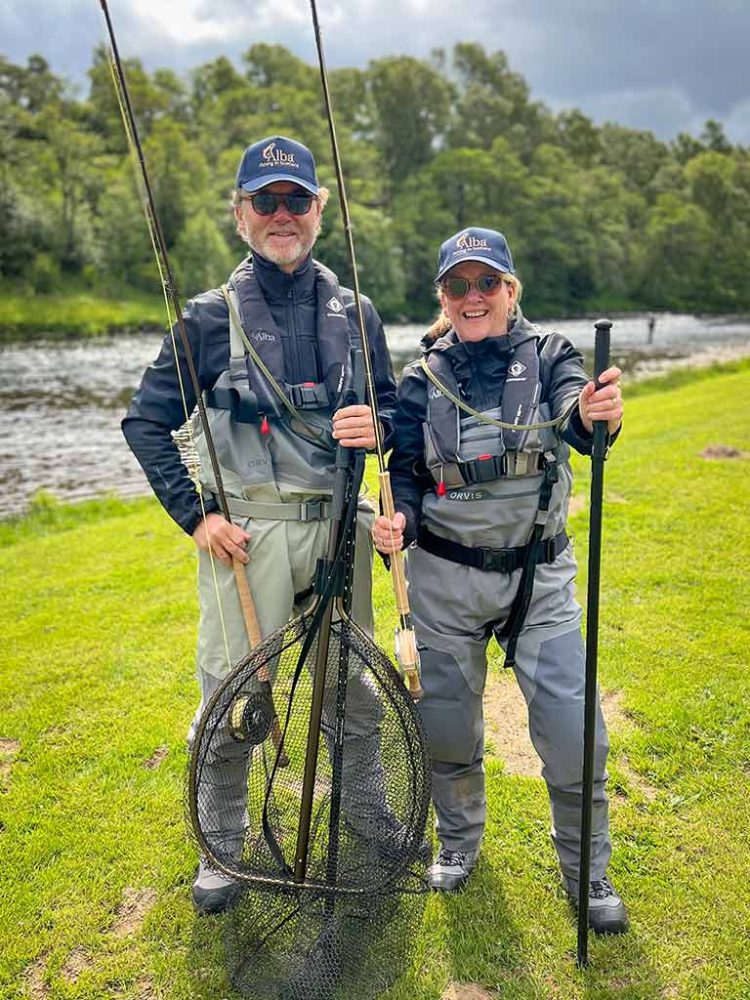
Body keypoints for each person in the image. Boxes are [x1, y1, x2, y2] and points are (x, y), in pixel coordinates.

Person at [122, 135, 398, 915]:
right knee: (237, 697)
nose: (283, 215)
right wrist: (197, 516)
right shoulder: (207, 321)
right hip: (250, 541)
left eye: (297, 200)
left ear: (320, 210)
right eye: (266, 201)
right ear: (240, 215)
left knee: (355, 692)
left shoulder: (360, 314)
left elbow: (397, 419)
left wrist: (377, 428)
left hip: (343, 525)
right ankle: (223, 842)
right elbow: (144, 424)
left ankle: (367, 811)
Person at [371, 227, 628, 935]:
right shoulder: (420, 378)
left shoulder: (552, 357)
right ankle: (457, 843)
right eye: (459, 286)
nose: (473, 297)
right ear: (444, 298)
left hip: (538, 584)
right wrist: (400, 527)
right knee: (447, 728)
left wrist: (596, 414)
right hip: (444, 584)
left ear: (511, 290)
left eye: (488, 283)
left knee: (576, 732)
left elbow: (582, 418)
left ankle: (587, 868)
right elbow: (405, 476)